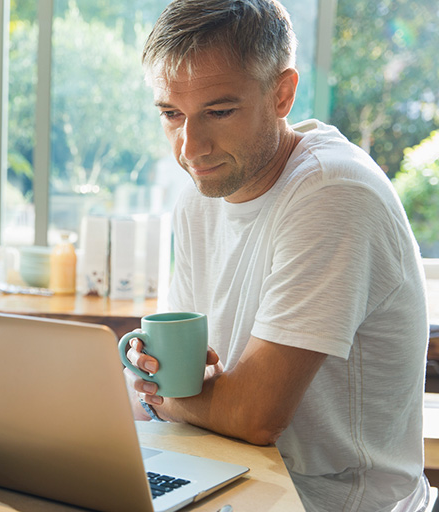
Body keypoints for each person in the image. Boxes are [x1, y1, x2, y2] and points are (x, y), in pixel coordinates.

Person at [123, 1, 430, 510]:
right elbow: (183, 376)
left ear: (282, 93)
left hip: (331, 501)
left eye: (219, 111)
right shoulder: (202, 194)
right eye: (172, 114)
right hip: (230, 476)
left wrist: (161, 397)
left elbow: (254, 416)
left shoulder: (334, 193)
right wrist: (156, 379)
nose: (190, 148)